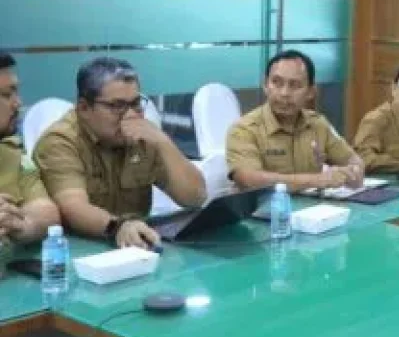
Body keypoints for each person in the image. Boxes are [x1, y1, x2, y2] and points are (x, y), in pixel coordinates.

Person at [33, 57, 206, 249]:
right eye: (117, 106)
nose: (130, 115)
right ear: (84, 108)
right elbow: (73, 208)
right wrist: (118, 227)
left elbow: (195, 197)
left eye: (136, 103)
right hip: (79, 251)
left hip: (136, 248)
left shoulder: (142, 135)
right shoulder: (60, 142)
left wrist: (163, 142)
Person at [227, 50, 363, 192]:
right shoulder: (243, 130)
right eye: (276, 83)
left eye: (295, 85)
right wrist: (318, 180)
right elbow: (249, 179)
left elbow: (353, 160)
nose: (284, 93)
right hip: (263, 211)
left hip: (311, 209)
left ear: (311, 92)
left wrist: (353, 173)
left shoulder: (318, 124)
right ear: (265, 86)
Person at [0, 53, 59, 244]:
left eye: (16, 93)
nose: (18, 103)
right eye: (7, 95)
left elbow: (45, 209)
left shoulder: (11, 150)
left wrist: (24, 226)